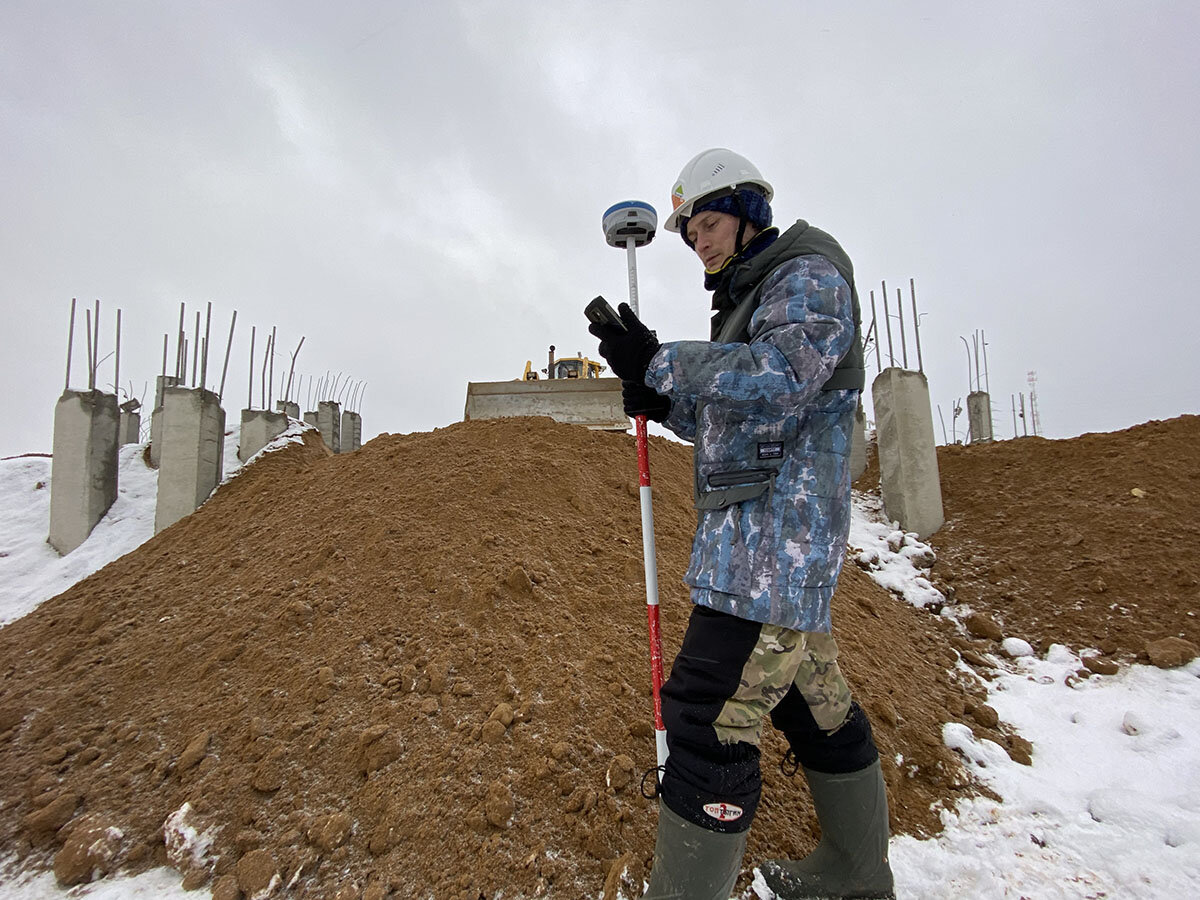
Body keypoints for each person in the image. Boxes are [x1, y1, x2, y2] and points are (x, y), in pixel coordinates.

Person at [588, 148, 894, 900]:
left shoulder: (809, 274)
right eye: (692, 237)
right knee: (811, 699)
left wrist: (662, 362)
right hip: (760, 549)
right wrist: (664, 401)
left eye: (712, 225)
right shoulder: (752, 295)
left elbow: (784, 373)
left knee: (705, 713)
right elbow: (739, 415)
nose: (704, 244)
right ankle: (857, 872)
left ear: (750, 213)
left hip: (772, 554)